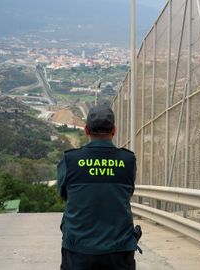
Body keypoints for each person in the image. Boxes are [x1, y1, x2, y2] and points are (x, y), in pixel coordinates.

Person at [57, 104, 137, 270]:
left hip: (78, 248)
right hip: (119, 250)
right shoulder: (128, 160)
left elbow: (64, 194)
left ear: (86, 130)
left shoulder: (70, 160)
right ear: (114, 130)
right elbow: (127, 193)